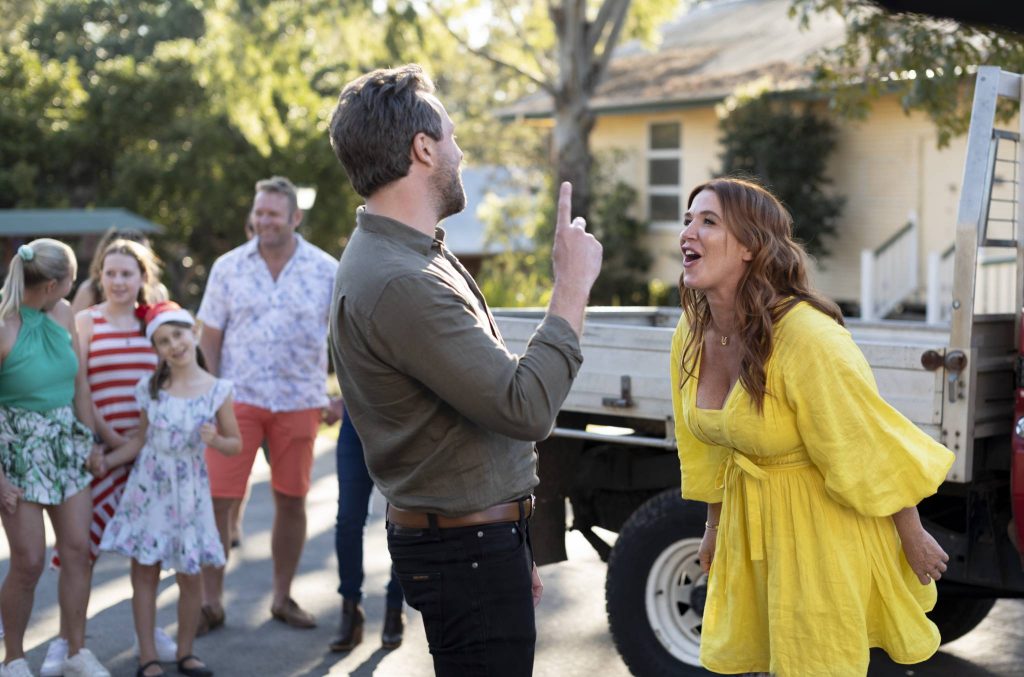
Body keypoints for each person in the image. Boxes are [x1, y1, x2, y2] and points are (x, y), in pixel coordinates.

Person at [326, 64, 602, 676]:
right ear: (423, 148)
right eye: (452, 137)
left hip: (476, 542)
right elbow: (525, 406)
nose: (461, 152)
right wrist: (572, 285)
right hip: (466, 550)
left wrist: (512, 529)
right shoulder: (400, 279)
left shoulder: (412, 256)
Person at [670, 177, 955, 675]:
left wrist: (912, 534)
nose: (688, 232)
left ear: (751, 246)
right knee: (759, 662)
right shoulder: (691, 334)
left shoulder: (808, 337)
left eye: (709, 221)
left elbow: (864, 441)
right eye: (688, 220)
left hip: (819, 533)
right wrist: (713, 527)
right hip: (747, 528)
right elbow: (704, 449)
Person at [196, 176, 338, 633]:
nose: (264, 221)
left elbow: (349, 337)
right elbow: (209, 337)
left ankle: (282, 597)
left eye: (273, 214)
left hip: (300, 401)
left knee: (292, 500)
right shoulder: (228, 267)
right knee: (219, 502)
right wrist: (211, 393)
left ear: (295, 217)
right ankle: (210, 603)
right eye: (259, 213)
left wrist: (340, 395)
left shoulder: (326, 269)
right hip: (236, 401)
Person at [44, 238, 178, 676]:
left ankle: (148, 634)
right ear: (99, 276)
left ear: (143, 278)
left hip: (146, 456)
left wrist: (134, 442)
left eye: (127, 273)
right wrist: (106, 439)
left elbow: (166, 383)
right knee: (80, 552)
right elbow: (77, 384)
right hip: (96, 455)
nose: (119, 281)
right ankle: (67, 641)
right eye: (111, 273)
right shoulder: (86, 321)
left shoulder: (154, 323)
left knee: (147, 553)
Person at [94, 302, 241, 677]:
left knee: (189, 573)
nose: (174, 345)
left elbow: (235, 444)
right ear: (156, 349)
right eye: (163, 341)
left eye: (178, 335)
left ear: (194, 332)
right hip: (149, 490)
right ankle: (148, 655)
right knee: (145, 571)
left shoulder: (217, 390)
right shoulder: (151, 388)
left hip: (189, 492)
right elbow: (139, 440)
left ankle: (186, 652)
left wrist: (216, 439)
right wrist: (107, 462)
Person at [0, 240, 111, 677]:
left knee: (78, 550)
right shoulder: (3, 326)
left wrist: (92, 441)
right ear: (51, 284)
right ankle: (13, 659)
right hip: (17, 450)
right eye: (70, 280)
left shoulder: (64, 313)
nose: (73, 287)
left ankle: (75, 653)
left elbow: (79, 385)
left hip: (66, 444)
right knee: (28, 561)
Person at [329, 406, 404, 652]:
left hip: (400, 423)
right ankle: (350, 610)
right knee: (348, 520)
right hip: (355, 422)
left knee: (402, 521)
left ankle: (395, 607)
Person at [70, 228, 168, 316]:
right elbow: (73, 325)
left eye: (126, 273)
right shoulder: (90, 289)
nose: (118, 281)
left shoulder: (157, 291)